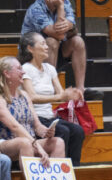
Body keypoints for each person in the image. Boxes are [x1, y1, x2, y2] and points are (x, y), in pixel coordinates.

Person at [0, 56, 72, 180]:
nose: (23, 71)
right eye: (19, 68)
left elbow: (36, 125)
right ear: (7, 74)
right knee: (24, 143)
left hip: (29, 140)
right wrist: (37, 145)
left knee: (58, 142)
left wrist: (46, 131)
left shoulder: (25, 95)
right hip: (3, 143)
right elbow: (15, 127)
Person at [21, 0, 97, 99]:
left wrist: (70, 26)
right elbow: (59, 35)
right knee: (51, 41)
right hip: (31, 55)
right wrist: (61, 8)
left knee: (78, 41)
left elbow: (73, 31)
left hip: (53, 53)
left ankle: (80, 89)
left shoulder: (66, 3)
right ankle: (50, 89)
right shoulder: (36, 9)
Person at [19, 31, 85, 165]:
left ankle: (75, 170)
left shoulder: (50, 68)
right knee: (63, 131)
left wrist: (72, 94)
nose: (46, 47)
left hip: (51, 117)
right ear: (30, 48)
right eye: (42, 44)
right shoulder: (25, 68)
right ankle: (60, 170)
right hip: (35, 118)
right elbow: (31, 97)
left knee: (78, 131)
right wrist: (61, 96)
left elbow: (60, 96)